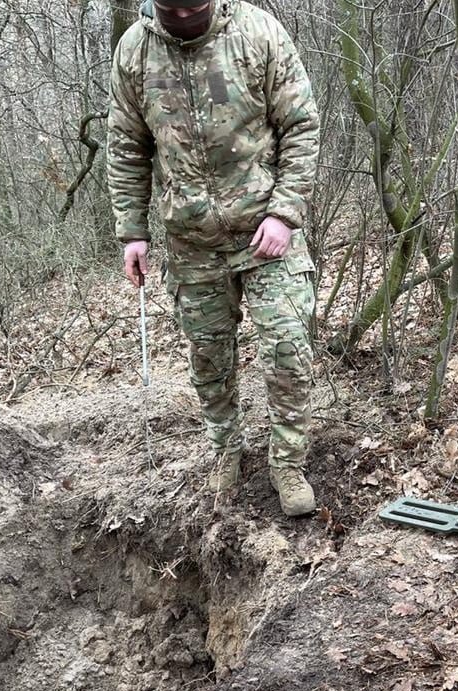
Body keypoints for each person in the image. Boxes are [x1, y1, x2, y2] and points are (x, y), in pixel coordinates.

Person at [107, 0, 321, 516]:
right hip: (191, 241)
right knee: (209, 358)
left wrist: (285, 212)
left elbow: (300, 124)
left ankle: (287, 463)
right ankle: (226, 450)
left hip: (265, 233)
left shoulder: (257, 31)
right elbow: (127, 147)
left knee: (288, 348)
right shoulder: (135, 50)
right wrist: (132, 232)